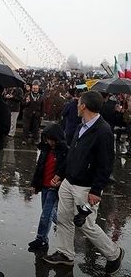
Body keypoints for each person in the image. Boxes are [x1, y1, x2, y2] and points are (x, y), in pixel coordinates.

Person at [43, 91, 124, 274]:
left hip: (86, 188)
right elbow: (73, 153)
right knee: (63, 219)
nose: (76, 105)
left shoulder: (103, 131)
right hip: (69, 182)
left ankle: (113, 254)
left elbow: (106, 165)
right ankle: (65, 254)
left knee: (85, 224)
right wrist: (61, 173)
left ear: (83, 106)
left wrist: (96, 191)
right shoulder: (82, 126)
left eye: (78, 103)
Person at [28, 123, 67, 251]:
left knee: (46, 214)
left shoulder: (64, 152)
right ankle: (66, 225)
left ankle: (41, 239)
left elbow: (66, 169)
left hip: (54, 187)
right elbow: (39, 168)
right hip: (44, 186)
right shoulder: (45, 150)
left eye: (52, 139)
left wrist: (60, 181)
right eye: (47, 139)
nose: (49, 142)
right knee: (49, 213)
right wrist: (35, 184)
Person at [22, 80, 44, 145]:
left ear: (38, 88)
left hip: (36, 115)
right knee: (26, 127)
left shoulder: (40, 96)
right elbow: (22, 104)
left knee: (36, 128)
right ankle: (25, 140)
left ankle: (35, 139)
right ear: (32, 88)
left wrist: (42, 115)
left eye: (36, 88)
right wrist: (26, 102)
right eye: (34, 88)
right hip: (27, 114)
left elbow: (42, 106)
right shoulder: (27, 95)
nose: (35, 90)